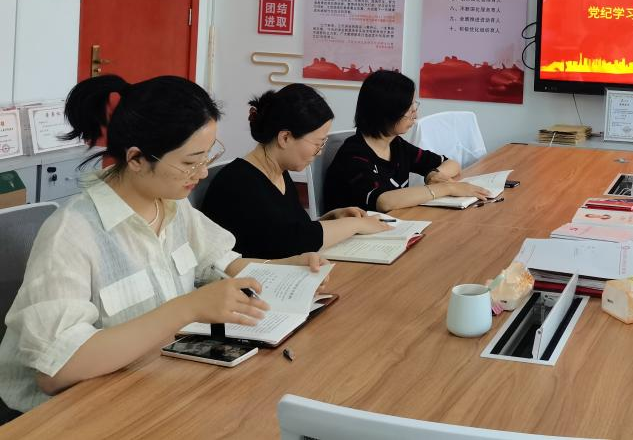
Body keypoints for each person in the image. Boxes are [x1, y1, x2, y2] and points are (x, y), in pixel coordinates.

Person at [0, 75, 325, 414]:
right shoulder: (72, 233)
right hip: (73, 411)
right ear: (137, 159)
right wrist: (187, 308)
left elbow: (219, 262)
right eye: (189, 162)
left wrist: (285, 270)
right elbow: (56, 371)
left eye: (207, 156)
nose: (201, 173)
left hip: (151, 384)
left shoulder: (171, 204)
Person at [200, 84, 390, 259]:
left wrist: (331, 218)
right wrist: (354, 225)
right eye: (318, 143)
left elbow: (284, 229)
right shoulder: (239, 183)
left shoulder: (278, 171)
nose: (320, 151)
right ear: (285, 138)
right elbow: (292, 242)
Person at [321, 70, 488, 213]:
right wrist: (447, 187)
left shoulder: (396, 145)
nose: (415, 115)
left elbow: (452, 164)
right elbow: (384, 201)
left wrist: (434, 175)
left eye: (414, 106)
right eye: (409, 109)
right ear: (386, 112)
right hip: (355, 235)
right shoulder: (354, 156)